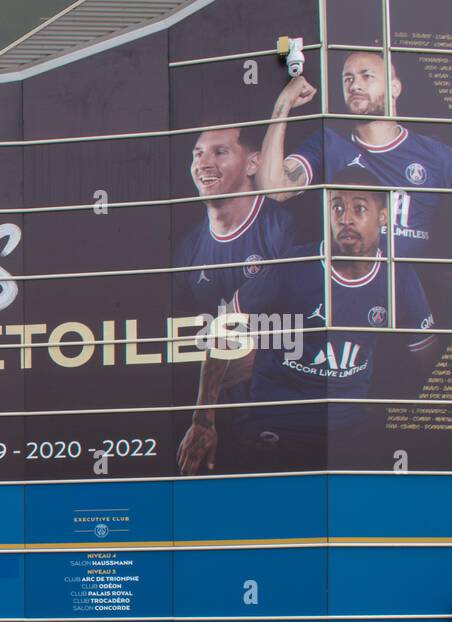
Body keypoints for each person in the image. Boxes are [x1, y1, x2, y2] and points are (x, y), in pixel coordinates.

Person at [178, 168, 439, 474]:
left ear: (383, 217)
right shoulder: (293, 267)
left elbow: (429, 361)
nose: (345, 218)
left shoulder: (400, 279)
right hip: (277, 420)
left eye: (359, 208)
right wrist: (202, 419)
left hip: (349, 426)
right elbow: (221, 327)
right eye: (337, 207)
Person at [258, 50, 452, 258]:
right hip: (346, 282)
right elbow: (274, 188)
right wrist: (283, 105)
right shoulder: (330, 144)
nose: (355, 86)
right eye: (348, 79)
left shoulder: (435, 154)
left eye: (366, 76)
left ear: (394, 88)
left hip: (410, 283)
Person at [176, 125, 299, 313]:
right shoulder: (190, 247)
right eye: (198, 154)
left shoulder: (283, 226)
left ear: (252, 164)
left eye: (220, 152)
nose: (203, 164)